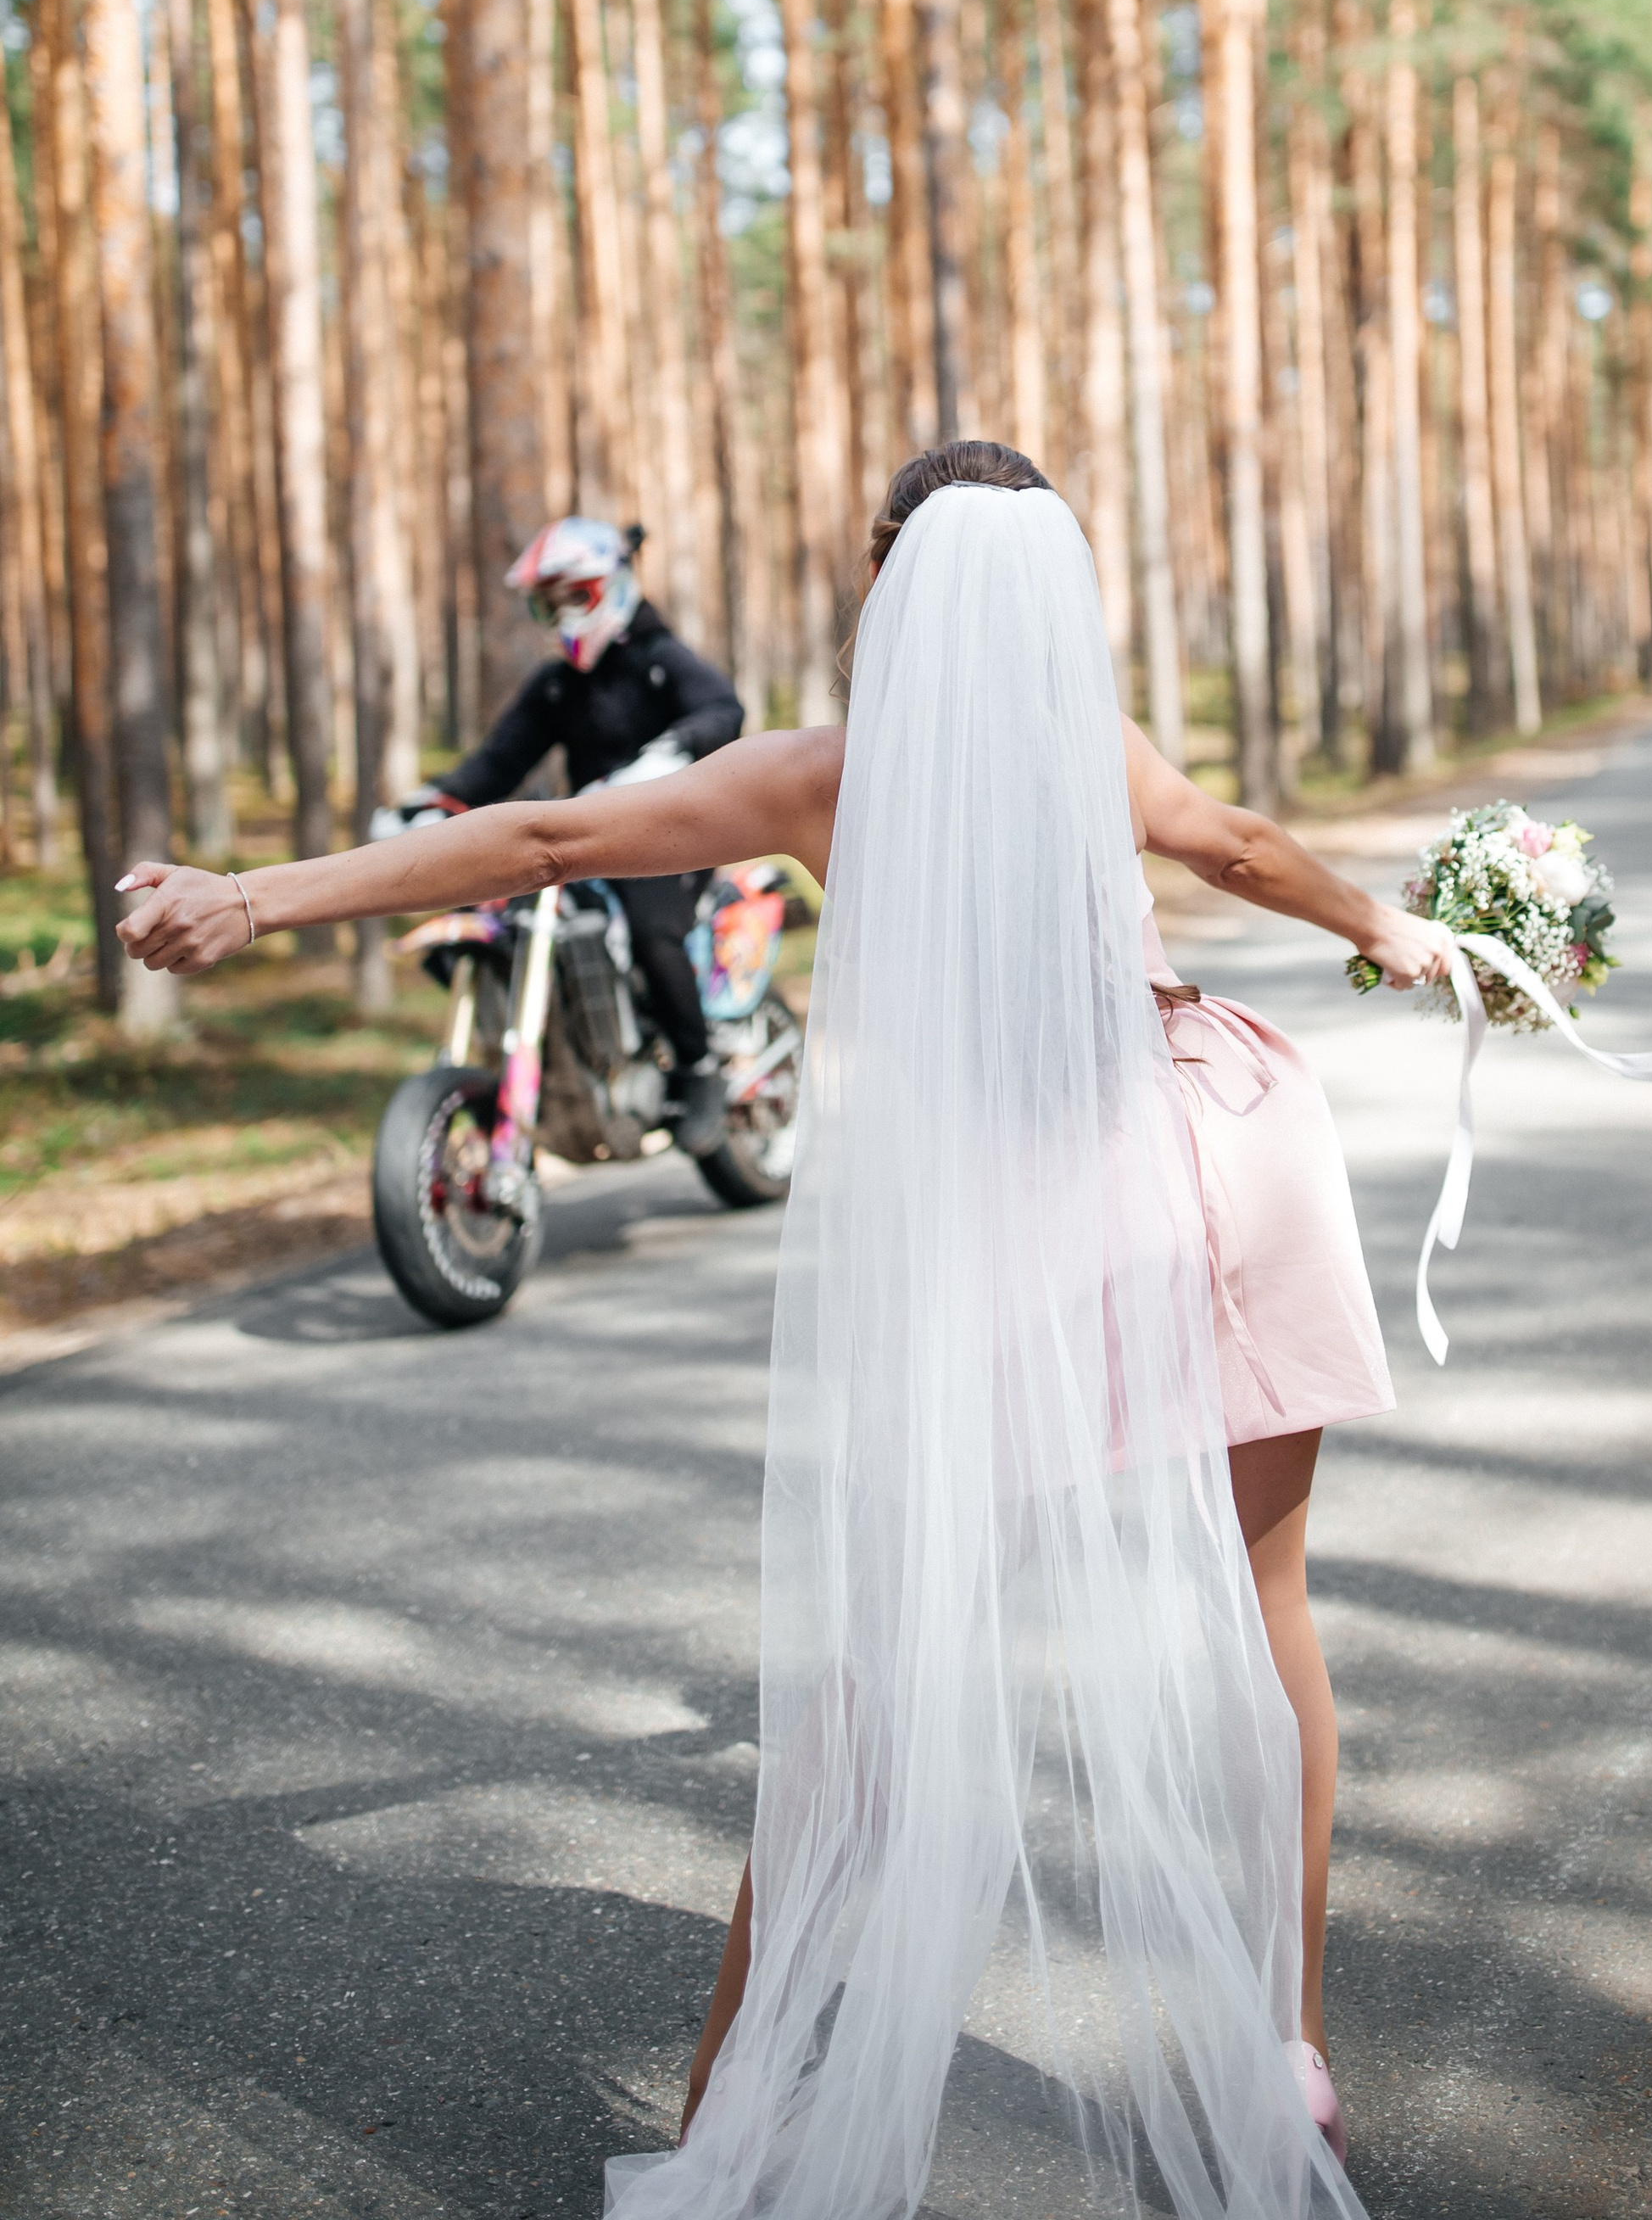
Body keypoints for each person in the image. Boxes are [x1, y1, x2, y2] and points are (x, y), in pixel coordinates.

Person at [117, 443, 1457, 2217]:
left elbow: (540, 836)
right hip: (1222, 1144)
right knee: (1264, 1603)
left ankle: (736, 2125)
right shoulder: (1092, 753)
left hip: (1028, 1210)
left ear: (885, 579)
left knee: (881, 1685)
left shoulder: (830, 776)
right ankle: (1284, 2053)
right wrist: (1398, 931)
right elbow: (1240, 847)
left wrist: (254, 893)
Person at [421, 517, 746, 1156]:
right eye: (550, 602)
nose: (565, 616)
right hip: (594, 842)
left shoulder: (659, 660)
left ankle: (698, 1069)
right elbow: (496, 762)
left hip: (676, 839)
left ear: (615, 586)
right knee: (487, 910)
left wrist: (674, 750)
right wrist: (427, 805)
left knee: (654, 928)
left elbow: (722, 709)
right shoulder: (556, 688)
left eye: (579, 596)